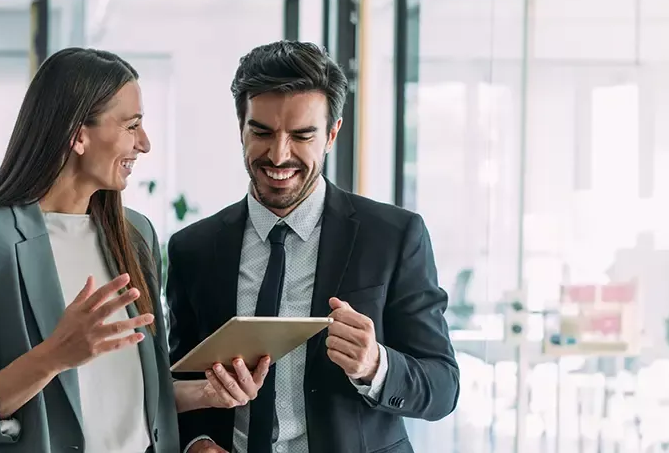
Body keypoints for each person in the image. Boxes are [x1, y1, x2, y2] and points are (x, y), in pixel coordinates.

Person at [0, 47, 270, 453]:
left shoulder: (134, 234)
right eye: (132, 126)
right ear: (78, 134)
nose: (145, 143)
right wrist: (52, 357)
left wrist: (208, 394)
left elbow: (127, 398)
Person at [166, 41, 461, 453]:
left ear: (332, 133)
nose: (279, 154)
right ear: (241, 129)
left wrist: (376, 365)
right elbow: (178, 381)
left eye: (302, 135)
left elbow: (443, 387)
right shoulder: (192, 249)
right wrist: (195, 442)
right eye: (262, 132)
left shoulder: (394, 236)